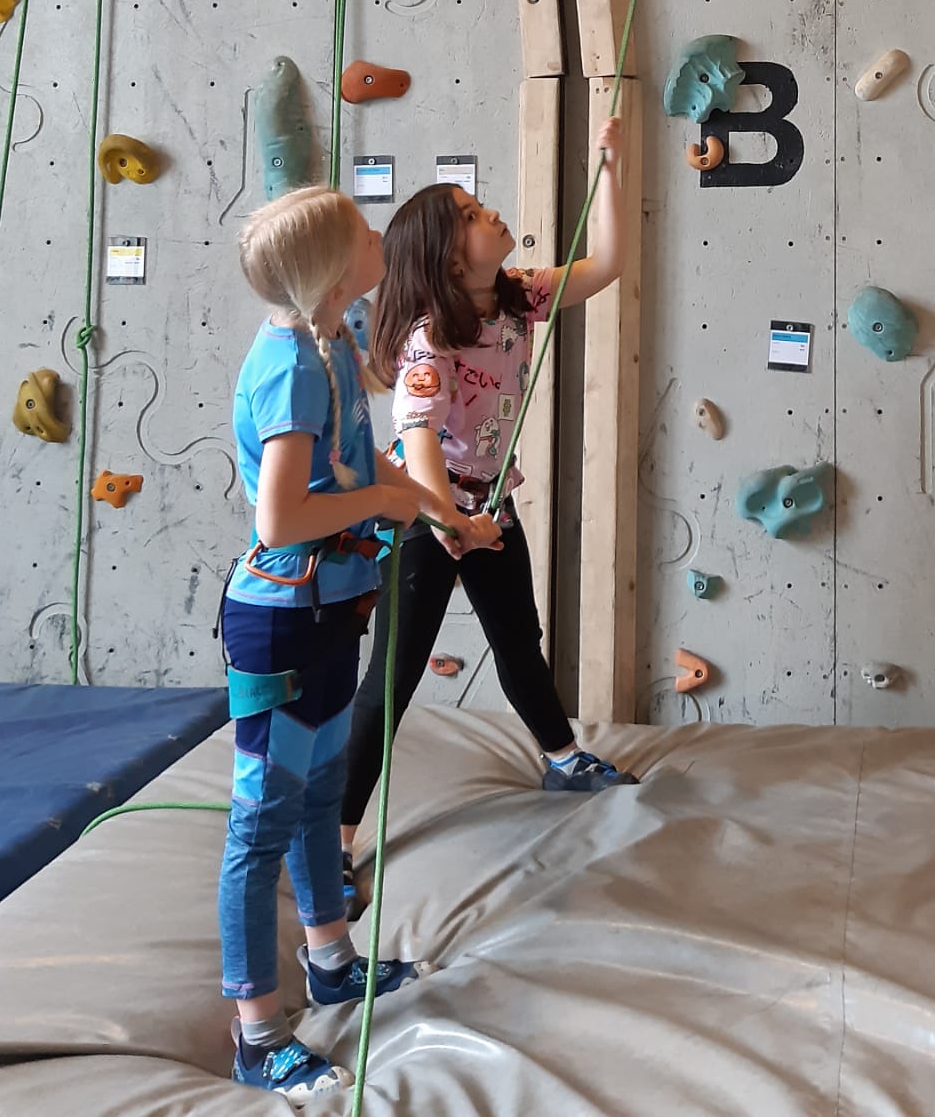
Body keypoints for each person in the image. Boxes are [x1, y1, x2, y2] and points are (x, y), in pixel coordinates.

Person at [340, 115, 636, 903]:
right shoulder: (428, 341)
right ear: (448, 257)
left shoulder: (516, 297)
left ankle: (562, 757)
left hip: (488, 504)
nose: (491, 212)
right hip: (425, 514)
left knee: (518, 640)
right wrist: (448, 521)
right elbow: (419, 439)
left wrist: (610, 167)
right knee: (393, 678)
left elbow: (607, 264)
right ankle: (336, 835)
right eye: (472, 215)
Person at [219, 185, 459, 1104]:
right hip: (282, 622)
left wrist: (444, 516)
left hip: (328, 610)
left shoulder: (330, 341)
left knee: (321, 795)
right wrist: (387, 503)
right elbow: (280, 517)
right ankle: (257, 1034)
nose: (377, 234)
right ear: (330, 270)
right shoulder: (292, 366)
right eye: (362, 232)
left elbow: (370, 462)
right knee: (261, 826)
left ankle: (329, 961)